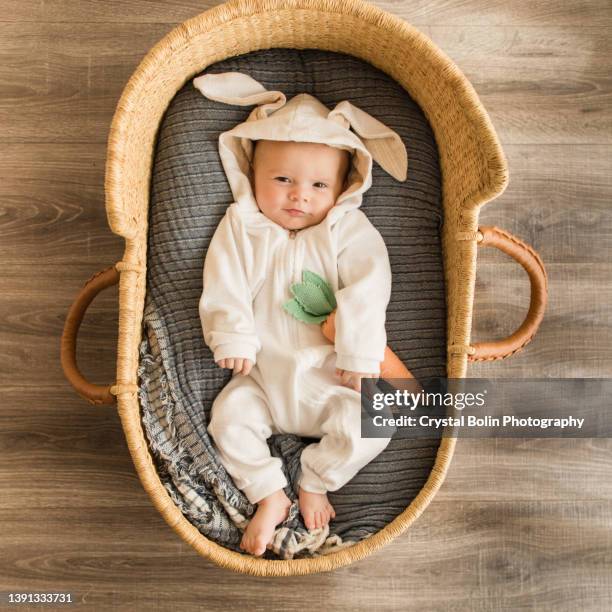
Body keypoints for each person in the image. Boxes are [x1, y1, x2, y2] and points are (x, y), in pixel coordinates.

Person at [194, 72, 408, 556]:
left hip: (331, 380)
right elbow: (223, 279)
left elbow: (369, 288)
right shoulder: (244, 226)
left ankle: (316, 479)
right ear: (251, 176)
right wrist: (233, 337)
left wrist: (356, 349)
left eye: (317, 184)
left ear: (343, 186)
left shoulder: (347, 229)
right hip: (262, 379)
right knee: (227, 420)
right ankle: (268, 493)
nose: (299, 196)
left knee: (374, 424)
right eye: (283, 180)